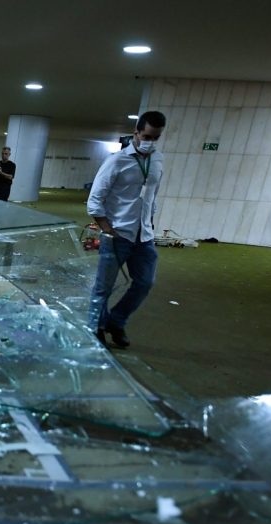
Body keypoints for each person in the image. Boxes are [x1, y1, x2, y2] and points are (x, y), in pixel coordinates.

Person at [87, 110, 167, 349]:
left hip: (144, 236)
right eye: (147, 136)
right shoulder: (116, 161)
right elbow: (95, 198)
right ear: (136, 132)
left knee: (145, 283)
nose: (150, 142)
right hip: (118, 234)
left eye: (156, 138)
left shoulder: (158, 160)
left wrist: (150, 222)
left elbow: (152, 195)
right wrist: (107, 229)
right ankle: (96, 328)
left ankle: (116, 321)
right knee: (103, 288)